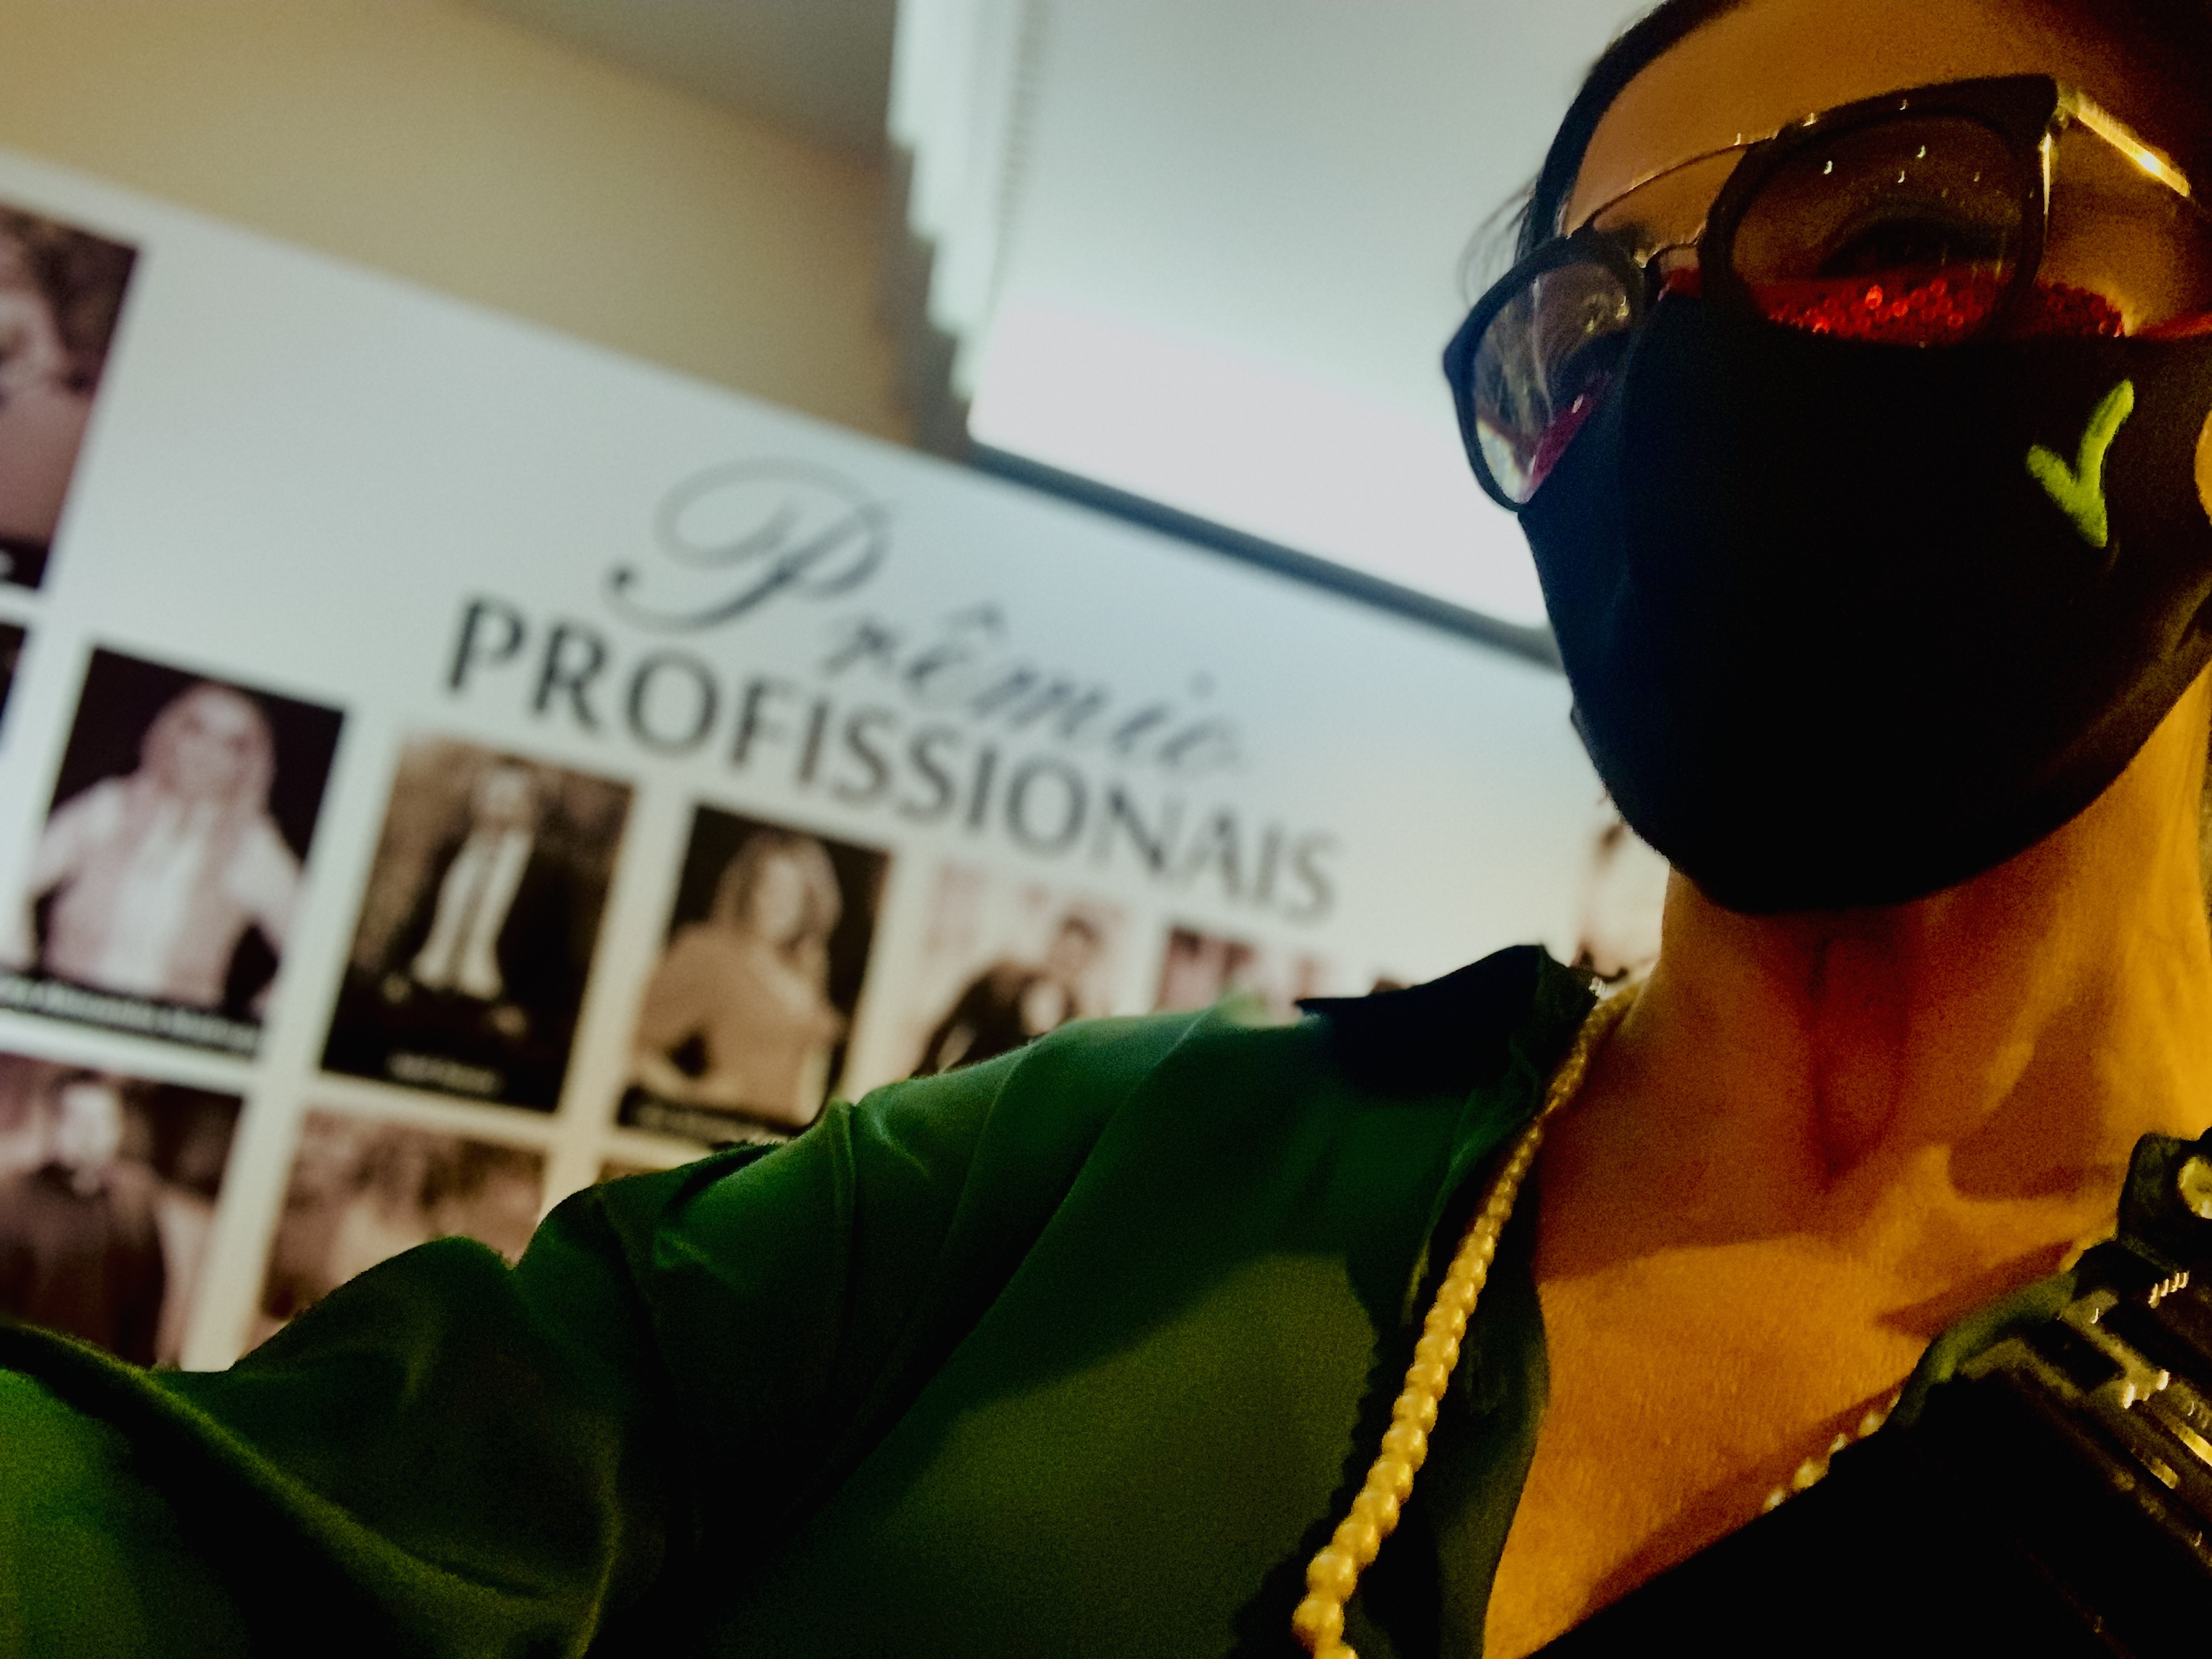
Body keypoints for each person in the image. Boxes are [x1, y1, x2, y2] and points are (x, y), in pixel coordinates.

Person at [6, 1, 2212, 1653]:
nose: (1689, 393)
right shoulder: (1107, 1168)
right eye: (1582, 350)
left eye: (1904, 236)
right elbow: (247, 1534)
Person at [0, 681, 301, 1013]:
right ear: (170, 733)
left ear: (249, 763)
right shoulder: (109, 806)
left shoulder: (252, 846)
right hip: (65, 1017)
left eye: (232, 744)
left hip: (167, 1034)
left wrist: (251, 1026)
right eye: (196, 730)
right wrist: (20, 980)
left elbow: (314, 949)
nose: (206, 752)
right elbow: (9, 876)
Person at [327, 759, 585, 1105]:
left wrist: (526, 1014)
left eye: (513, 798)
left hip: (488, 1015)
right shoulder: (451, 850)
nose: (500, 806)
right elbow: (420, 919)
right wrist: (395, 973)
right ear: (477, 798)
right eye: (492, 794)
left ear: (533, 807)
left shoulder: (550, 872)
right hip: (418, 996)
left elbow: (556, 958)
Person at [630, 830, 847, 1127]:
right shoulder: (709, 951)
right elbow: (633, 1044)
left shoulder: (808, 966)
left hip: (789, 1136)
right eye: (769, 888)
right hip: (734, 1129)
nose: (778, 904)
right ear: (748, 889)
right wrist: (687, 1096)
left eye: (793, 894)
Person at [0, 1074, 165, 1367]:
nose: (91, 1134)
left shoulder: (135, 1206)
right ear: (54, 1123)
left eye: (103, 1121)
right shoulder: (12, 1198)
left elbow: (146, 1307)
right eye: (79, 1121)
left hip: (101, 1375)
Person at [915, 910, 1102, 1074]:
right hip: (968, 1087)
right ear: (1052, 944)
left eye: (1076, 956)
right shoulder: (1000, 980)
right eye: (1063, 948)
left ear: (1085, 964)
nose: (1066, 959)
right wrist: (924, 1080)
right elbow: (946, 1028)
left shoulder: (1076, 1023)